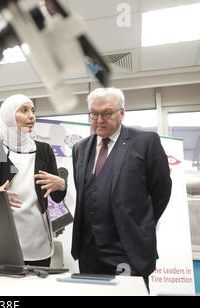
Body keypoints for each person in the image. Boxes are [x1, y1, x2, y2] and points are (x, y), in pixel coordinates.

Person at [71, 87, 172, 287]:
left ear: (122, 112)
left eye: (107, 113)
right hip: (89, 250)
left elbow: (161, 191)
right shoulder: (80, 148)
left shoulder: (145, 142)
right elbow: (84, 190)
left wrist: (140, 223)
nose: (99, 120)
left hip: (127, 248)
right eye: (94, 113)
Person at [0, 94, 67, 267]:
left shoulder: (44, 150)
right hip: (3, 239)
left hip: (38, 238)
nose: (32, 116)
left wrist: (62, 184)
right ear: (9, 116)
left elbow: (56, 197)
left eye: (33, 111)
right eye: (24, 110)